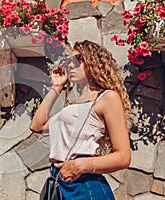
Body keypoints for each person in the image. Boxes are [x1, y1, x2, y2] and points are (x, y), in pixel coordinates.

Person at [30, 40, 131, 199]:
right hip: (61, 181)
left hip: (84, 184)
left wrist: (80, 165)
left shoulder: (106, 98)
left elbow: (123, 157)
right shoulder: (74, 105)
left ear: (93, 62)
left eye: (78, 59)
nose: (71, 65)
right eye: (69, 61)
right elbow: (37, 125)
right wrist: (56, 87)